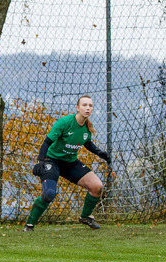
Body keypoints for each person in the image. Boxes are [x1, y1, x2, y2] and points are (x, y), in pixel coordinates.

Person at [24, 95, 110, 231]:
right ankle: (29, 225)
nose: (87, 108)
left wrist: (100, 153)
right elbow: (46, 143)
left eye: (90, 105)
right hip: (52, 161)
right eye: (84, 105)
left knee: (97, 187)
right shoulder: (64, 123)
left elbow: (87, 143)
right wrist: (40, 162)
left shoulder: (87, 127)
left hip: (70, 163)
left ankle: (85, 217)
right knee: (49, 193)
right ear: (77, 108)